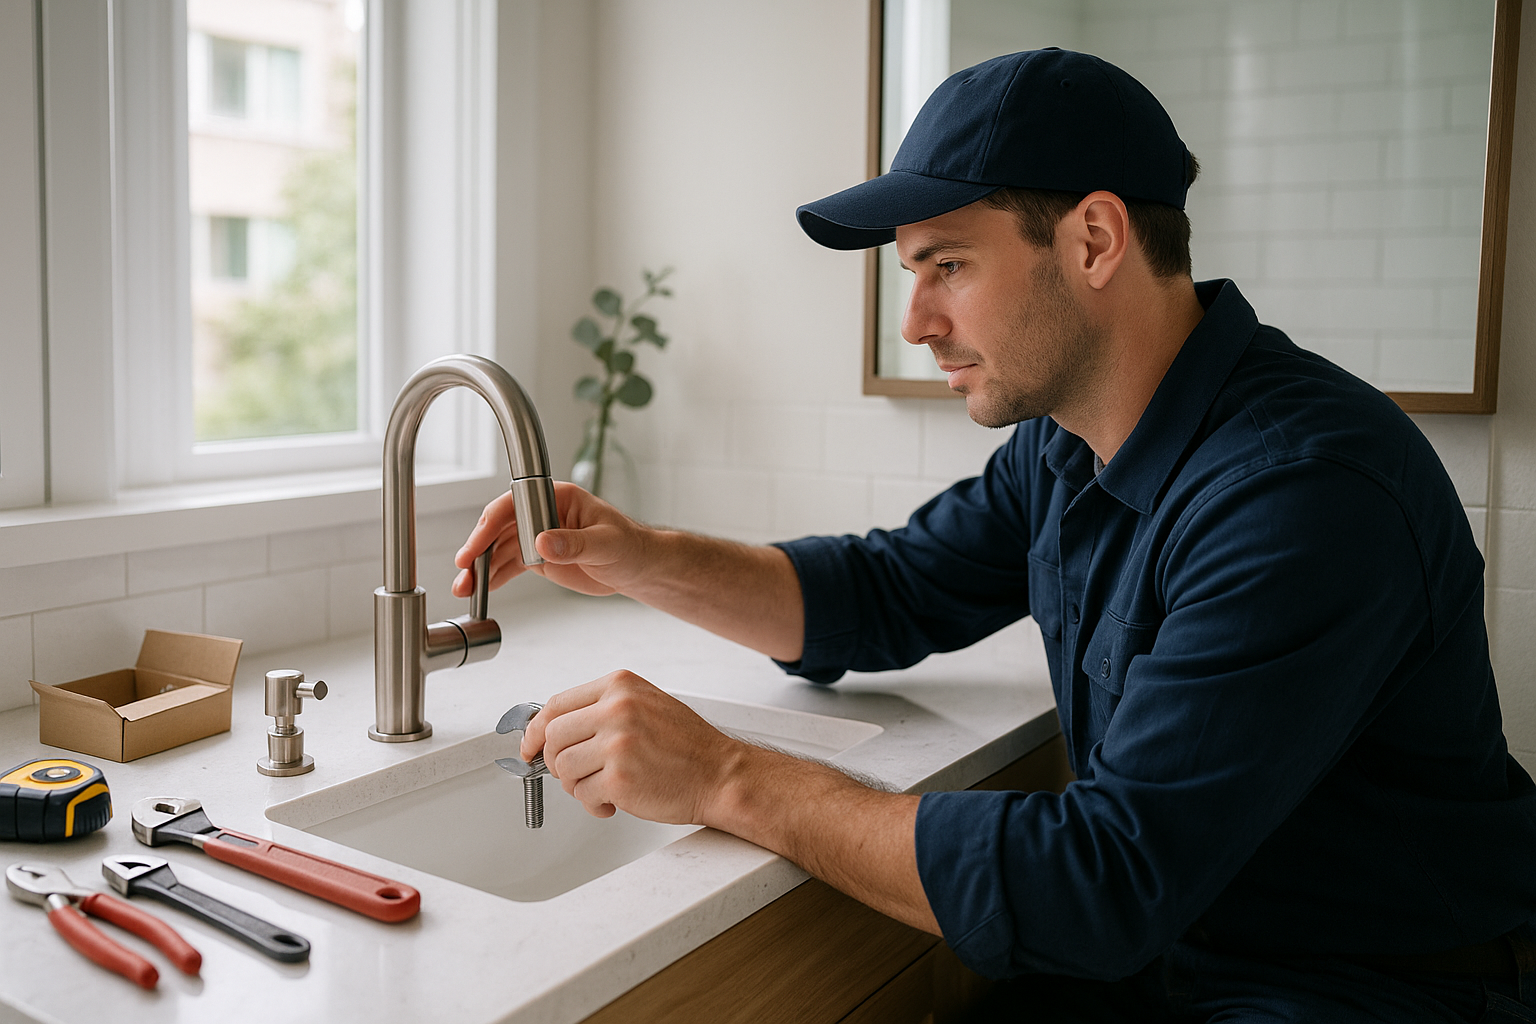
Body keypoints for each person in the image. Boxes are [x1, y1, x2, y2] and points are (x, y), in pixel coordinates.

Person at [454, 49, 1536, 1022]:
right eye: (912, 274)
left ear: (1095, 240)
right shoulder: (1071, 446)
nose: (918, 321)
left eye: (948, 266)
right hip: (1180, 961)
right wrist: (635, 554)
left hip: (1371, 990)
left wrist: (726, 775)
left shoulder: (1302, 492)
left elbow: (1102, 883)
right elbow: (882, 592)